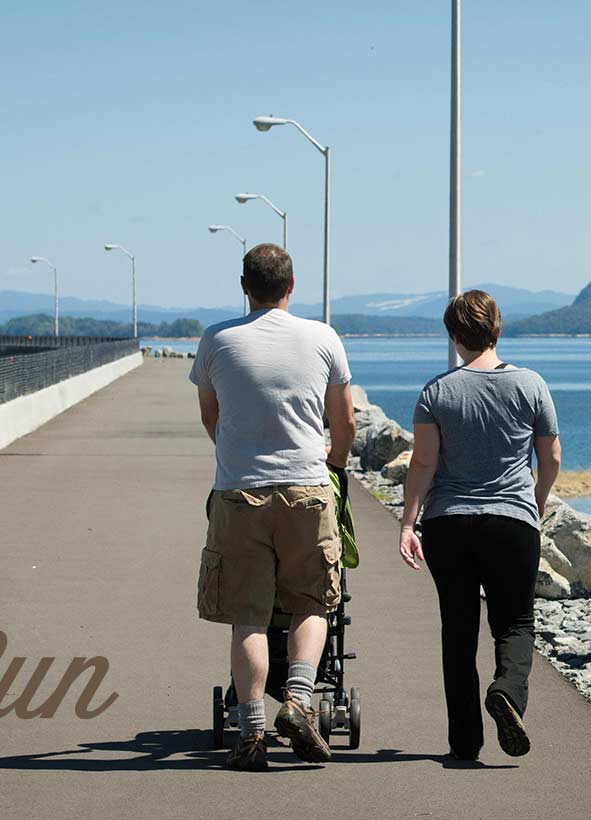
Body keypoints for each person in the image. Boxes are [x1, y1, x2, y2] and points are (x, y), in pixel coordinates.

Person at [191, 243, 356, 771]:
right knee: (313, 601)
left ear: (244, 286)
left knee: (249, 615)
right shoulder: (323, 337)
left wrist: (237, 453)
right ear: (291, 286)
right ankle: (301, 701)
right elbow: (345, 422)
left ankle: (253, 734)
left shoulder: (217, 340)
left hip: (239, 492)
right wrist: (333, 463)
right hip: (308, 487)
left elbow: (210, 416)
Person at [398, 290, 562, 761]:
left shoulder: (437, 392)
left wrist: (409, 522)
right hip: (513, 522)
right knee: (514, 621)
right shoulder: (531, 384)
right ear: (498, 328)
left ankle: (465, 741)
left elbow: (423, 465)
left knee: (459, 629)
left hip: (449, 524)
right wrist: (537, 501)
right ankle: (508, 692)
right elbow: (549, 457)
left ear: (453, 336)